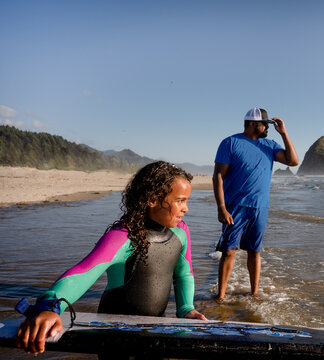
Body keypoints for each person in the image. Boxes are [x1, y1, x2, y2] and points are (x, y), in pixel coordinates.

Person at [15, 161, 207, 355]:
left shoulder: (181, 232)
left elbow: (183, 274)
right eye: (180, 200)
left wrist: (186, 309)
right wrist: (49, 307)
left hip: (156, 326)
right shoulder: (123, 236)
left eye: (187, 201)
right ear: (152, 199)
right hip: (113, 330)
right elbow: (83, 273)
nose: (186, 208)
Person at [213, 108, 298, 301]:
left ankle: (254, 293)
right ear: (252, 124)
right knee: (228, 251)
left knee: (254, 251)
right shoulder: (230, 143)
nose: (267, 128)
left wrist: (284, 134)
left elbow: (292, 161)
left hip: (260, 207)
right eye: (265, 124)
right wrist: (221, 207)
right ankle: (220, 296)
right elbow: (218, 176)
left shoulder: (269, 145)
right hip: (235, 206)